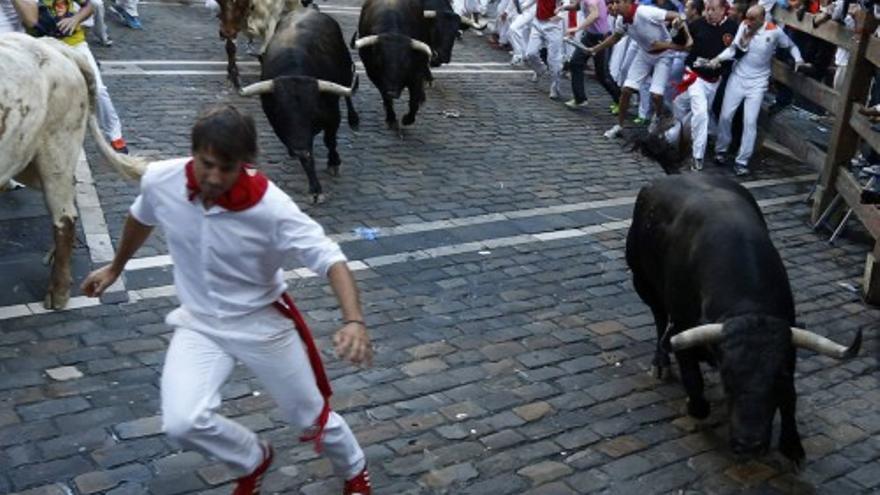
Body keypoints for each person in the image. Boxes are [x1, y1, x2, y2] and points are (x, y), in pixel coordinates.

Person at [80, 105, 373, 495]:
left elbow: (330, 258)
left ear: (246, 164)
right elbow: (141, 216)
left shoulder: (272, 207)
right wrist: (115, 267)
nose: (214, 177)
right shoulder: (160, 180)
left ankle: (355, 470)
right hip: (199, 323)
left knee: (310, 416)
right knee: (182, 422)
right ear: (194, 153)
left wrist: (353, 320)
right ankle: (251, 458)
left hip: (261, 323)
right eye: (207, 164)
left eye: (227, 168)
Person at [14, 0, 130, 152]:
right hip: (42, 46)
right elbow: (29, 21)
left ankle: (116, 136)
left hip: (74, 43)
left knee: (99, 89)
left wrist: (75, 19)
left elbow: (90, 5)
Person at [708, 4, 807, 175]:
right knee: (725, 116)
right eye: (747, 17)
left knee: (750, 122)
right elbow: (734, 49)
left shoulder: (774, 31)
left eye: (753, 18)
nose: (748, 21)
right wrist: (718, 58)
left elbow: (791, 46)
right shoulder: (744, 26)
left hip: (758, 83)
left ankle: (742, 161)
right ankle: (721, 150)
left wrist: (798, 59)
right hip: (737, 78)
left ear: (763, 18)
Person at [588, 0, 687, 138]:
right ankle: (619, 126)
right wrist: (595, 49)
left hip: (664, 55)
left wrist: (678, 23)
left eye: (617, 2)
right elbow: (615, 38)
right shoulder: (621, 21)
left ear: (628, 2)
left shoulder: (645, 12)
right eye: (612, 3)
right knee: (626, 90)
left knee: (656, 94)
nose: (613, 6)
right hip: (644, 54)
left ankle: (658, 118)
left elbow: (676, 14)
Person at [667, 0, 737, 171]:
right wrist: (676, 28)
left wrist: (720, 66)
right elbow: (680, 40)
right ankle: (697, 157)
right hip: (695, 76)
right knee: (700, 114)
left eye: (713, 9)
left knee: (684, 108)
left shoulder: (732, 28)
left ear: (723, 10)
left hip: (714, 81)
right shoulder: (697, 24)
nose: (709, 13)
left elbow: (734, 53)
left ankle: (671, 137)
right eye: (707, 9)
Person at [560, 0, 619, 108]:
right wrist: (562, 8)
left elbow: (594, 14)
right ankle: (580, 99)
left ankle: (620, 100)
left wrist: (577, 28)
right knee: (575, 63)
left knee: (602, 75)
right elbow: (577, 6)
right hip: (589, 36)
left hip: (601, 38)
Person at [525, 0, 565, 99]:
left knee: (553, 59)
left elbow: (567, 5)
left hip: (553, 26)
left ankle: (555, 87)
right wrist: (521, 7)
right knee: (530, 53)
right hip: (537, 23)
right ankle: (540, 69)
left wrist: (557, 17)